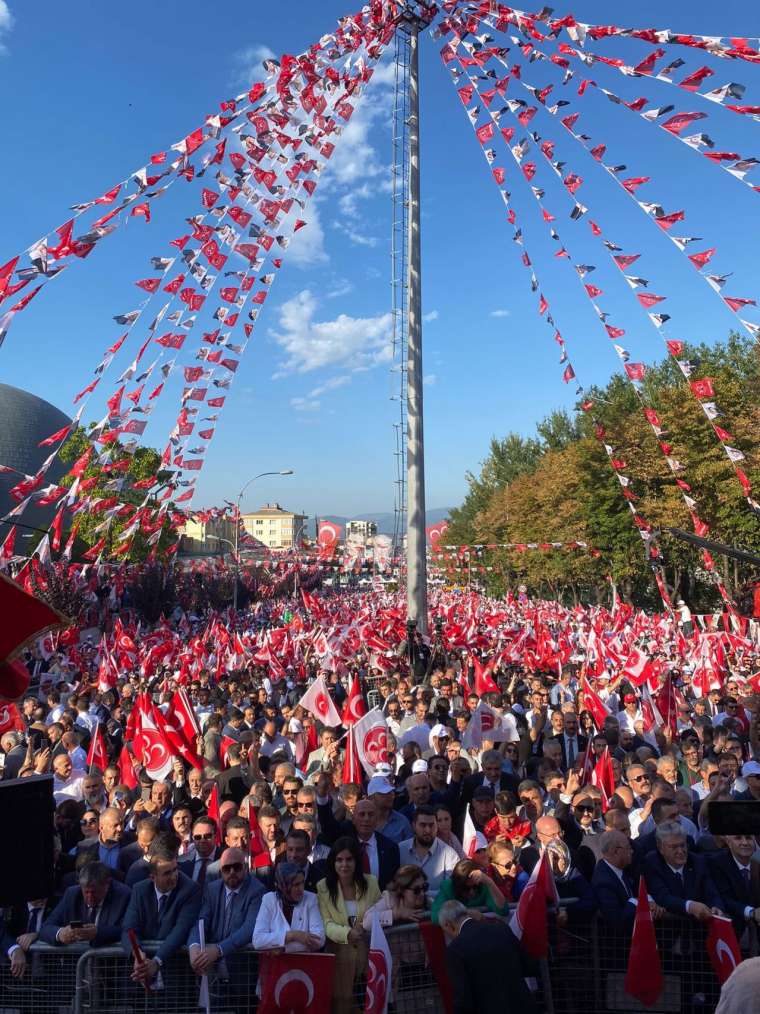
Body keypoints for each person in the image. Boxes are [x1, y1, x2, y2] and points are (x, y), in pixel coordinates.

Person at [121, 843, 202, 989]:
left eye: (175, 870)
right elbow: (129, 927)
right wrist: (137, 955)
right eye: (167, 873)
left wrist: (157, 961)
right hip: (142, 973)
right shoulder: (140, 890)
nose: (174, 876)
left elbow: (181, 929)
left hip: (175, 973)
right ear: (153, 877)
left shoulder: (190, 890)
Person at [316, 837, 382, 1014]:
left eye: (349, 859)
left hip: (368, 959)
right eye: (339, 860)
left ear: (356, 861)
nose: (344, 864)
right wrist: (347, 933)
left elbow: (381, 912)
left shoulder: (371, 883)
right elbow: (326, 924)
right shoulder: (322, 887)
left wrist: (365, 926)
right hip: (339, 960)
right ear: (333, 862)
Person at [438, 899, 536, 1014]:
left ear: (448, 925)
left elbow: (463, 998)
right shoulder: (501, 929)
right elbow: (530, 966)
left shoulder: (455, 950)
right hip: (523, 1006)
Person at [187, 847, 266, 983]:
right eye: (226, 869)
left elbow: (249, 929)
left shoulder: (257, 891)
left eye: (237, 867)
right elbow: (201, 921)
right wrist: (194, 947)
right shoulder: (212, 889)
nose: (232, 872)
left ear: (245, 867)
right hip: (212, 973)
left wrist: (218, 949)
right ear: (220, 871)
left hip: (242, 973)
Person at [642, 821, 724, 921]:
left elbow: (712, 893)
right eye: (674, 847)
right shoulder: (652, 862)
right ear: (660, 848)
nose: (680, 851)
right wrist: (689, 906)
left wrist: (716, 907)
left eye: (683, 845)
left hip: (698, 928)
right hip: (668, 928)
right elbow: (662, 897)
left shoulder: (698, 862)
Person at [39, 861, 131, 947]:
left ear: (107, 885)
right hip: (75, 960)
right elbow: (46, 927)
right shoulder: (72, 894)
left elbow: (127, 930)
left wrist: (98, 933)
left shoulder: (123, 896)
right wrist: (60, 934)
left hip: (110, 961)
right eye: (86, 892)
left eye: (94, 892)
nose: (90, 897)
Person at [252, 862, 325, 953]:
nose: (301, 888)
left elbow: (319, 940)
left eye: (302, 882)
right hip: (275, 965)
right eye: (296, 885)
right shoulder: (269, 900)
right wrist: (292, 935)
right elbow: (257, 941)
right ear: (282, 886)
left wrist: (281, 947)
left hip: (304, 964)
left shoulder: (311, 899)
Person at [398, 805, 460, 898]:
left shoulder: (450, 855)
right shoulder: (400, 850)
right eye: (423, 825)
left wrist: (419, 894)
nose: (428, 830)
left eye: (431, 825)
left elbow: (450, 892)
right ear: (414, 826)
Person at [708, 834, 760, 944]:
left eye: (749, 838)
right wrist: (751, 912)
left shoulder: (757, 864)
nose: (745, 842)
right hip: (728, 939)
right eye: (738, 838)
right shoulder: (716, 863)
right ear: (728, 842)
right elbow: (723, 898)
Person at [431, 859, 507, 924]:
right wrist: (466, 913)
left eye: (475, 887)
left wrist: (490, 882)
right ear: (457, 885)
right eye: (466, 888)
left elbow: (503, 910)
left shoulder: (483, 884)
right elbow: (435, 917)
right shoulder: (448, 887)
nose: (472, 892)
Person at [350, 797, 400, 890]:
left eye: (371, 814)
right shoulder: (346, 845)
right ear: (353, 819)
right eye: (362, 814)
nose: (366, 819)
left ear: (377, 820)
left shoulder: (390, 848)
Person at [362, 865, 430, 928]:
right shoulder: (389, 900)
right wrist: (396, 914)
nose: (422, 893)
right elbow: (366, 922)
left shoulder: (429, 903)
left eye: (424, 887)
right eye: (416, 890)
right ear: (402, 890)